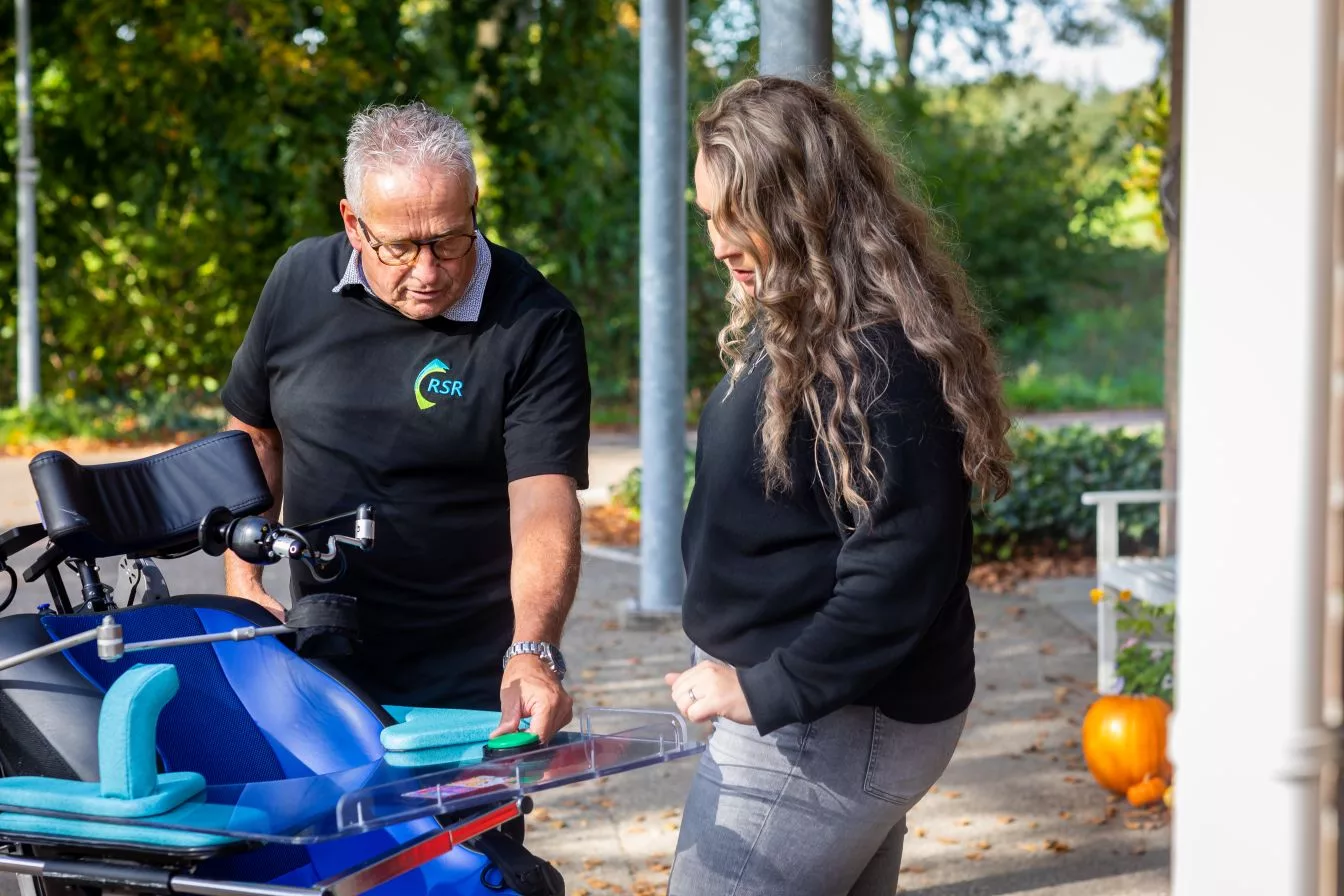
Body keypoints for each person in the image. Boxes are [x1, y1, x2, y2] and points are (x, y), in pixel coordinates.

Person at [663, 77, 1014, 895]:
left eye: (733, 216)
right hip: (809, 713)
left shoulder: (873, 356)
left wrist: (765, 687)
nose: (717, 243)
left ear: (800, 206)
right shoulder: (798, 324)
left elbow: (902, 565)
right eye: (707, 217)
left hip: (827, 724)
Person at [220, 101, 590, 744]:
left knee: (470, 848)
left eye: (449, 240)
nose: (426, 271)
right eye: (399, 247)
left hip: (470, 680)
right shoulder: (297, 281)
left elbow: (543, 501)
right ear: (353, 222)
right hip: (314, 657)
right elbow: (253, 434)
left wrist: (533, 650)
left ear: (474, 203)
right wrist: (241, 581)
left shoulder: (535, 322)